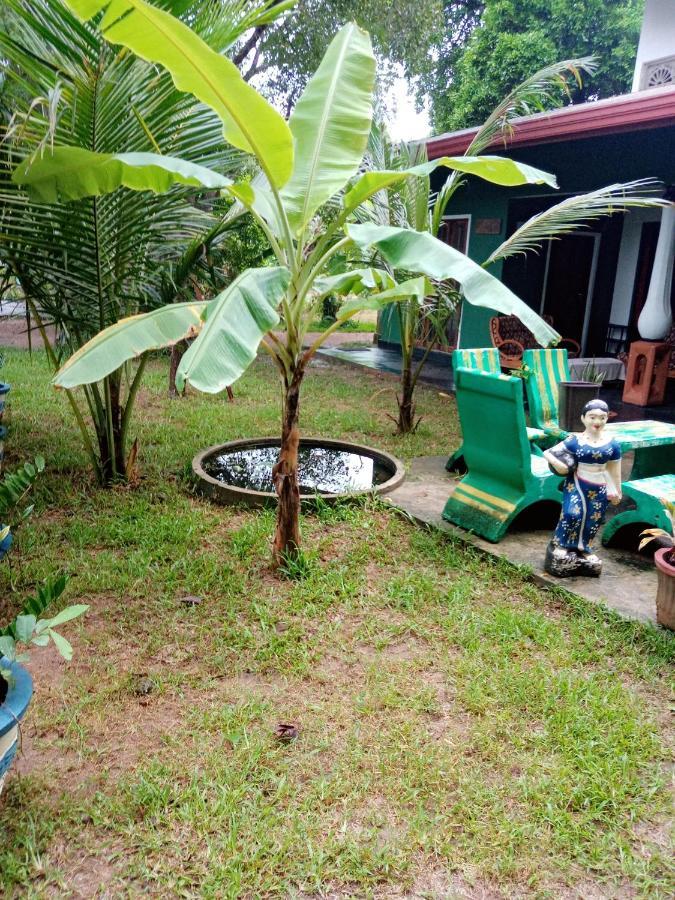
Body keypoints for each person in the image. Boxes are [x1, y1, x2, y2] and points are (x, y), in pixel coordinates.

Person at [543, 399, 622, 577]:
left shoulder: (612, 444)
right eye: (592, 417)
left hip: (600, 484)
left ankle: (585, 548)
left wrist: (617, 489)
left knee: (593, 519)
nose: (597, 422)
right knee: (572, 514)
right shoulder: (575, 441)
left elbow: (614, 469)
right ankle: (562, 544)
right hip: (578, 482)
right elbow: (548, 452)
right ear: (583, 418)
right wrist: (561, 466)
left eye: (602, 417)